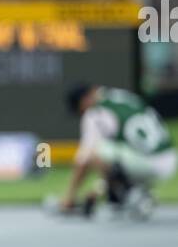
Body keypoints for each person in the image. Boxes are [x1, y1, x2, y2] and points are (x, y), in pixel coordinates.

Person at [60, 84, 176, 216]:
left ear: (85, 99)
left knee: (96, 153)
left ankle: (131, 195)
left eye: (78, 108)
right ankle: (132, 193)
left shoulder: (95, 112)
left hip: (147, 162)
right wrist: (96, 191)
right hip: (169, 158)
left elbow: (84, 158)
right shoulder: (122, 96)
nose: (80, 113)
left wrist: (69, 196)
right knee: (115, 157)